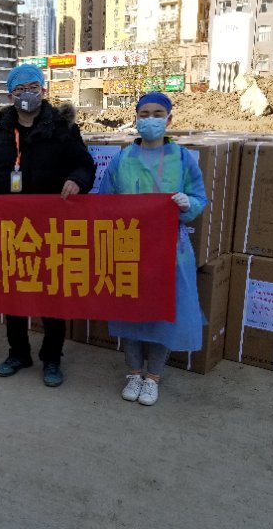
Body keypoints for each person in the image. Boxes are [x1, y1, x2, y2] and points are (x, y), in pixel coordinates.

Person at [0, 64, 96, 388]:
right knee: (14, 294)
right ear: (10, 96)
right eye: (19, 90)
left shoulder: (62, 128)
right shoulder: (2, 132)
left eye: (32, 87)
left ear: (43, 91)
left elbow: (84, 165)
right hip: (12, 229)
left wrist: (77, 180)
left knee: (52, 295)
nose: (26, 94)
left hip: (52, 229)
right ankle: (18, 353)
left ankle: (52, 358)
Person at [99, 92, 207, 406]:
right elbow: (105, 200)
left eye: (157, 114)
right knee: (131, 312)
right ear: (135, 119)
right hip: (129, 246)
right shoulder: (123, 159)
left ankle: (153, 377)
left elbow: (198, 197)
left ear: (169, 120)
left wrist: (188, 204)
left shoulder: (182, 159)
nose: (150, 120)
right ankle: (134, 372)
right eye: (144, 114)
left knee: (164, 313)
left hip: (170, 249)